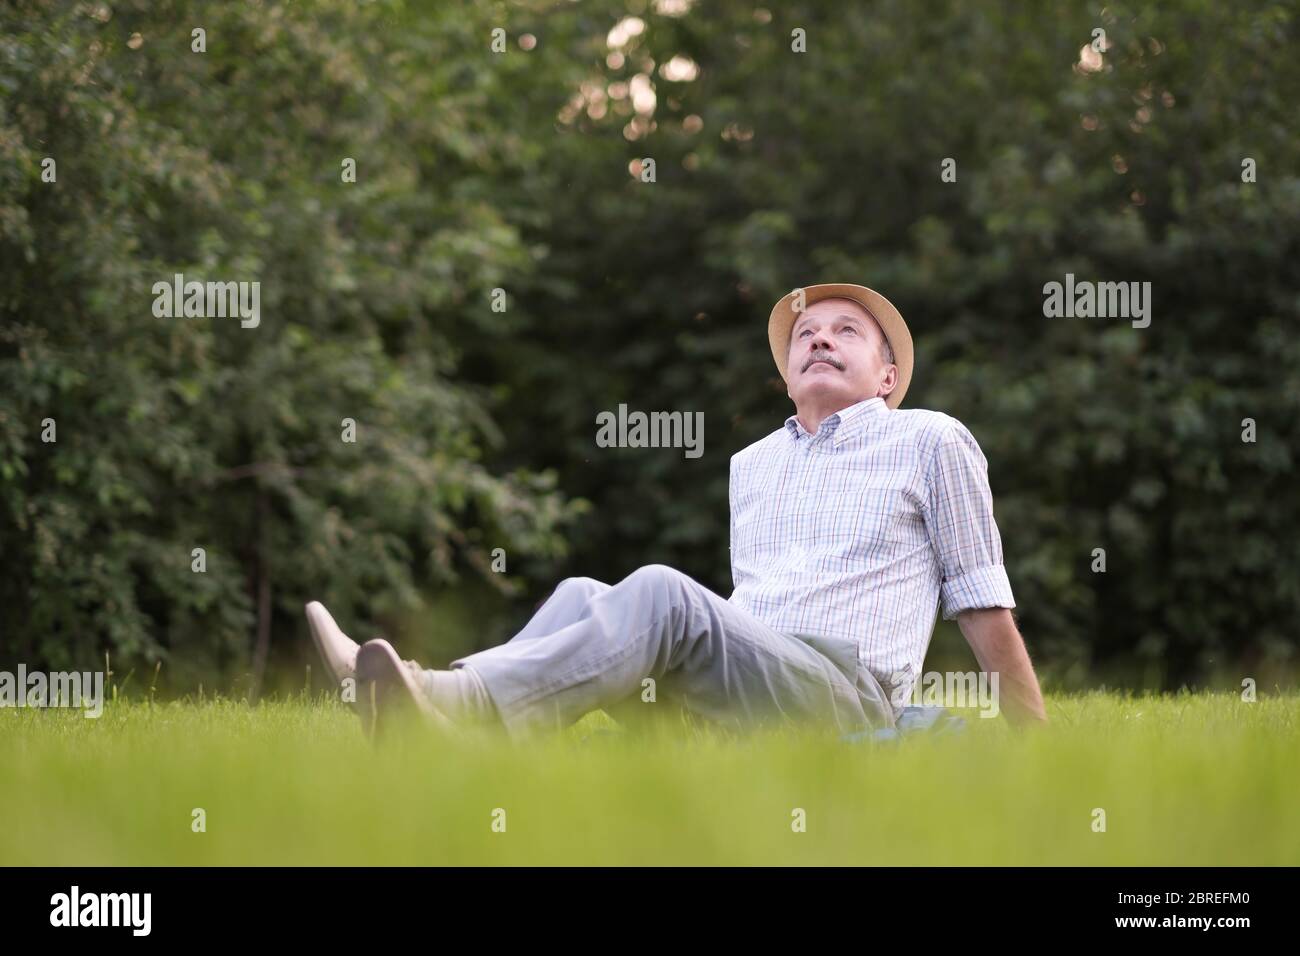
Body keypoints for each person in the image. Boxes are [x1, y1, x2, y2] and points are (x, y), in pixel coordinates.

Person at [306, 283, 1047, 740]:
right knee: (577, 595)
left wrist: (1037, 744)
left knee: (662, 589)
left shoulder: (931, 439)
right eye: (803, 334)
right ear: (787, 375)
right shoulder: (752, 465)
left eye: (845, 330)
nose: (817, 336)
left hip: (845, 698)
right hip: (743, 692)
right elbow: (750, 612)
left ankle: (441, 697)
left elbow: (981, 601)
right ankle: (440, 721)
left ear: (888, 376)